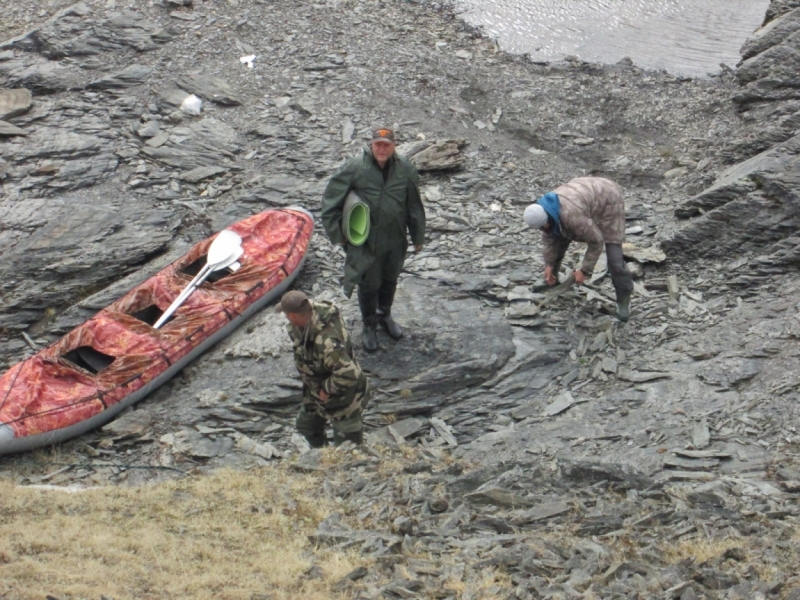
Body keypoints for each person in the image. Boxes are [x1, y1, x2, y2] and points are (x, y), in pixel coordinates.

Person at [321, 127, 426, 352]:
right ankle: (369, 325)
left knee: (390, 279)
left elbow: (414, 205)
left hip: (395, 239)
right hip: (365, 241)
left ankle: (384, 315)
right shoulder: (354, 167)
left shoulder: (406, 168)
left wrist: (417, 235)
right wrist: (339, 236)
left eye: (386, 144)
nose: (381, 148)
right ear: (371, 144)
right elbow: (330, 202)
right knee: (368, 284)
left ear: (394, 145)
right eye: (378, 144)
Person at [523, 176, 634, 322]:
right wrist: (549, 265)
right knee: (558, 234)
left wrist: (584, 271)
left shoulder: (571, 217)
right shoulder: (546, 212)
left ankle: (623, 303)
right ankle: (552, 278)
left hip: (608, 199)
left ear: (547, 219)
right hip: (585, 194)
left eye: (543, 227)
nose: (543, 230)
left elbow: (596, 242)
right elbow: (550, 240)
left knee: (615, 260)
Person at [276, 290, 370, 447]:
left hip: (344, 398)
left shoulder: (326, 342)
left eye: (286, 314)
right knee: (306, 426)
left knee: (348, 447)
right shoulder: (310, 313)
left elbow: (349, 374)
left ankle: (342, 466)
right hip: (314, 391)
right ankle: (322, 453)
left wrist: (326, 389)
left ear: (293, 316)